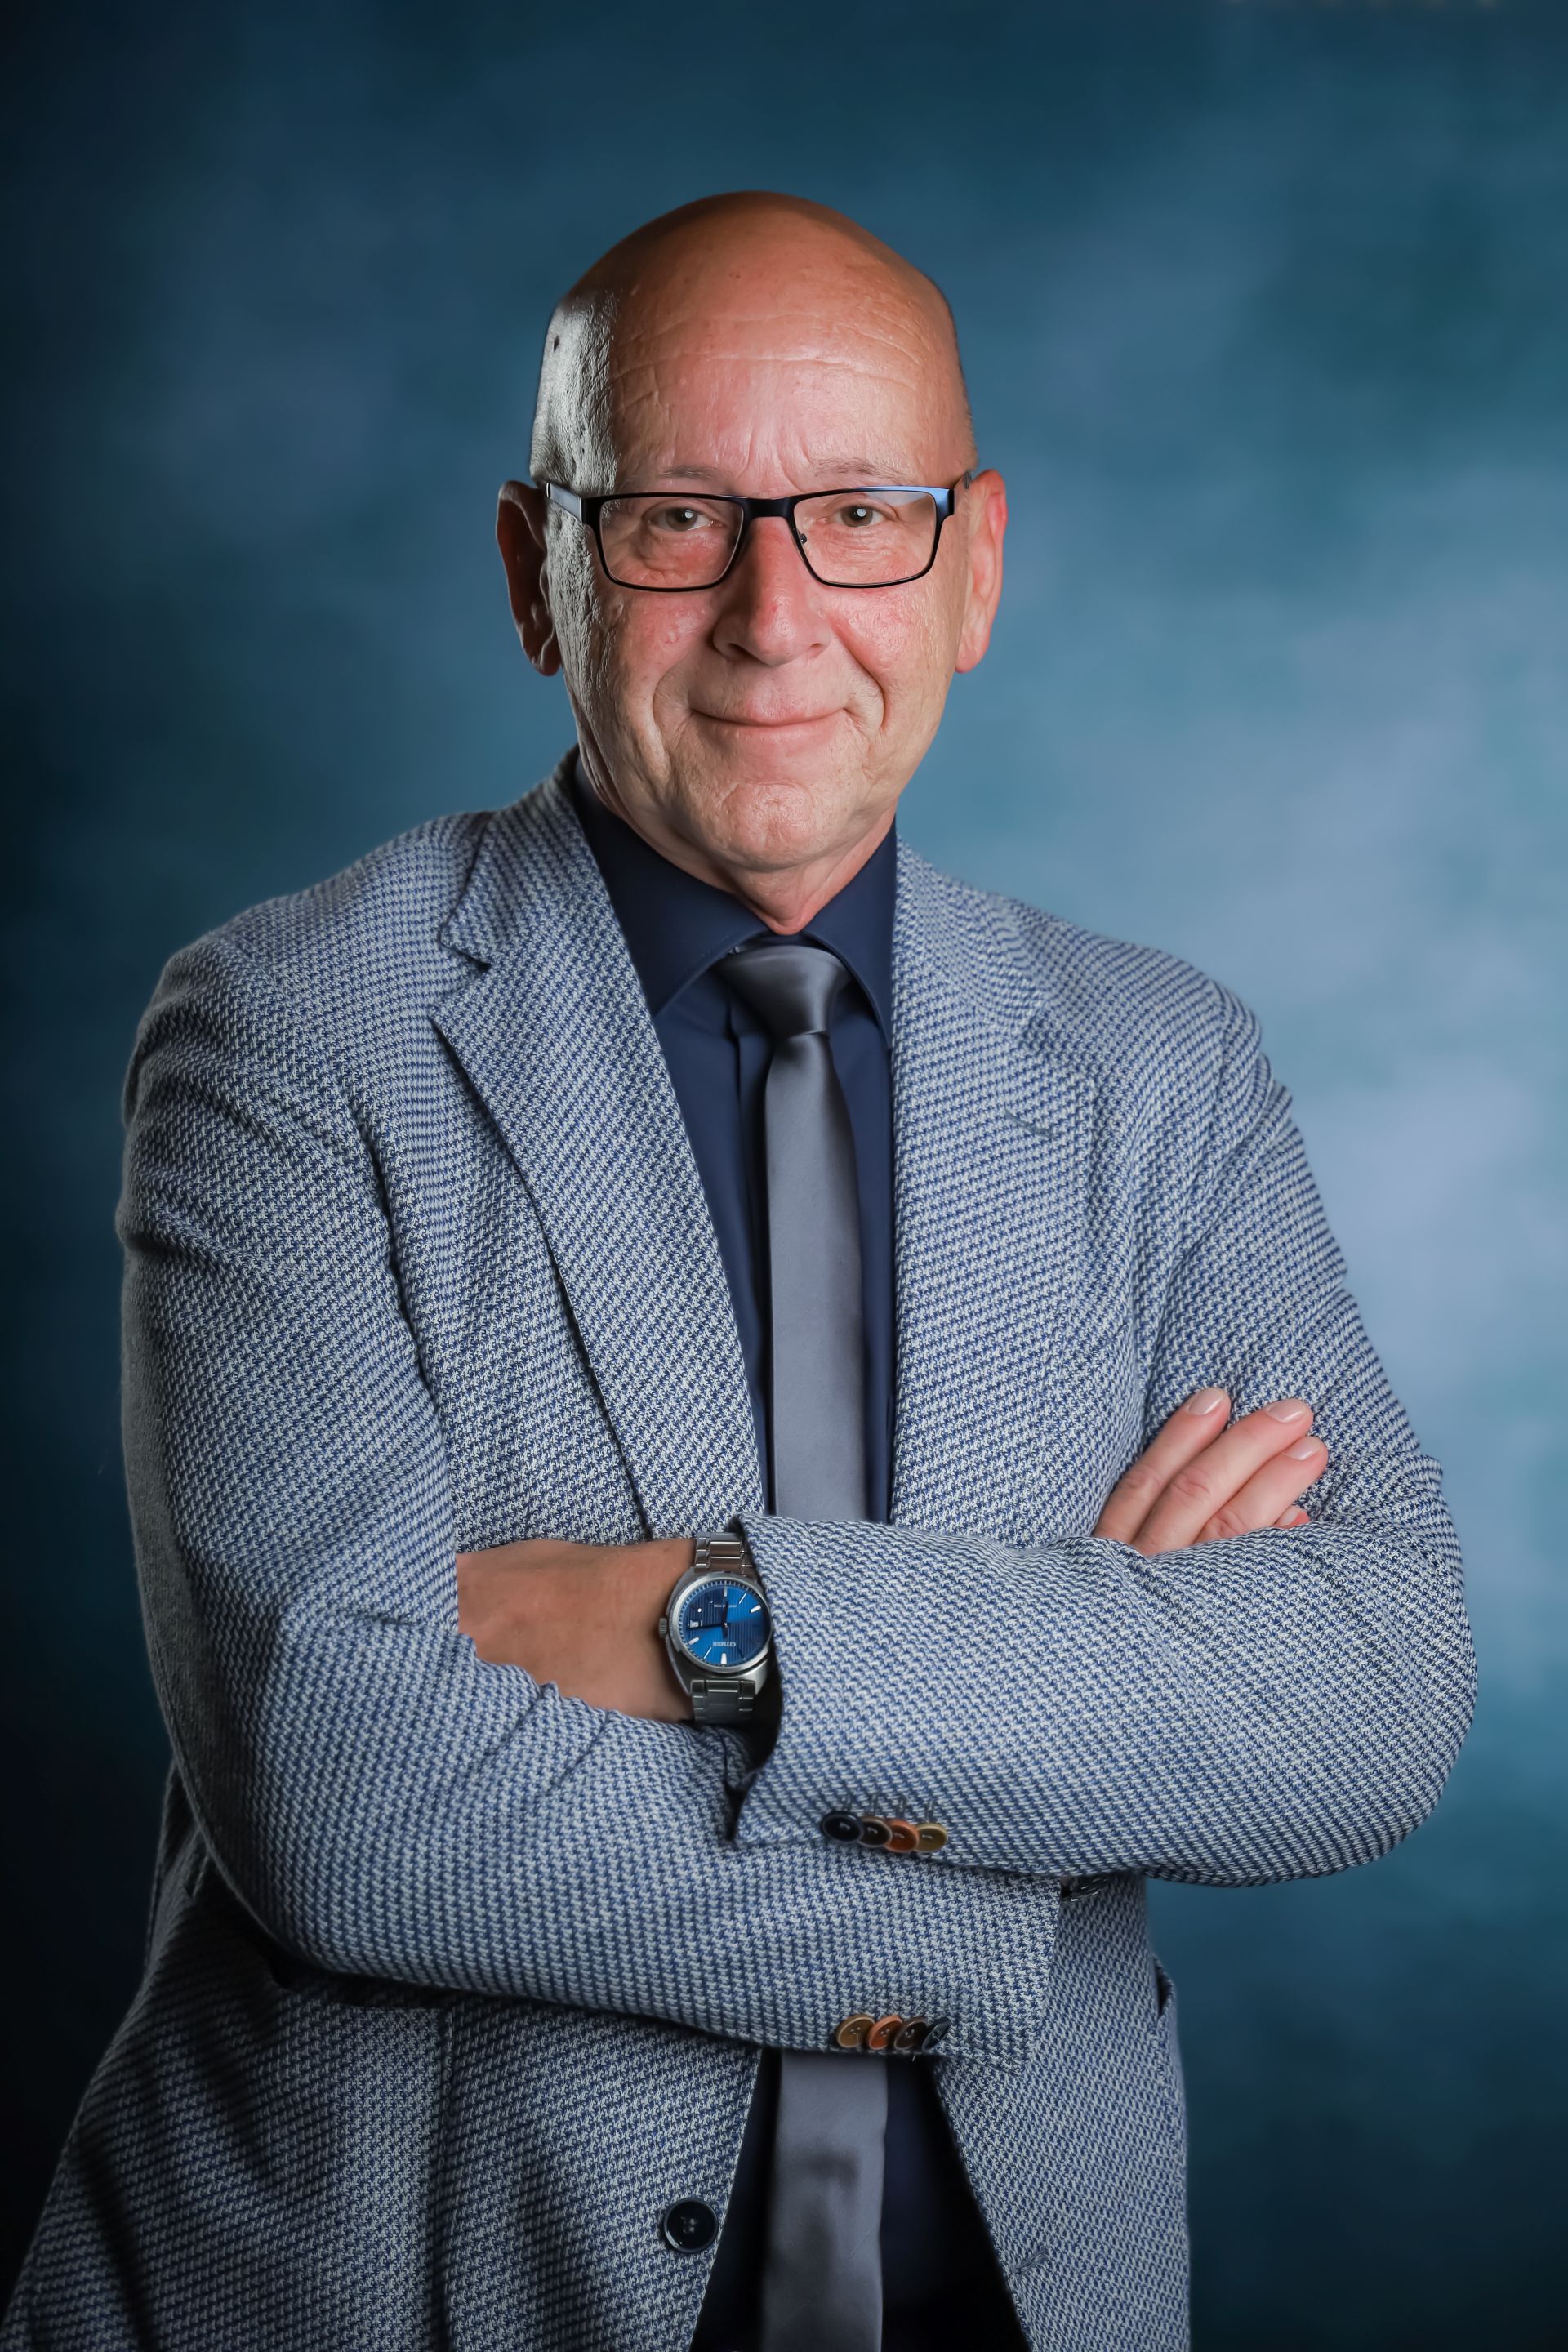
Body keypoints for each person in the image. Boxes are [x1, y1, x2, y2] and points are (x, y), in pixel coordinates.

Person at [2, 190, 1475, 2352]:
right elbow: (348, 1804)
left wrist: (715, 1626)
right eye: (678, 518)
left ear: (976, 568)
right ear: (538, 571)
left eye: (864, 515)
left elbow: (1370, 1688)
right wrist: (1033, 1812)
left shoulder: (1164, 1067)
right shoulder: (291, 1032)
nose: (777, 619)